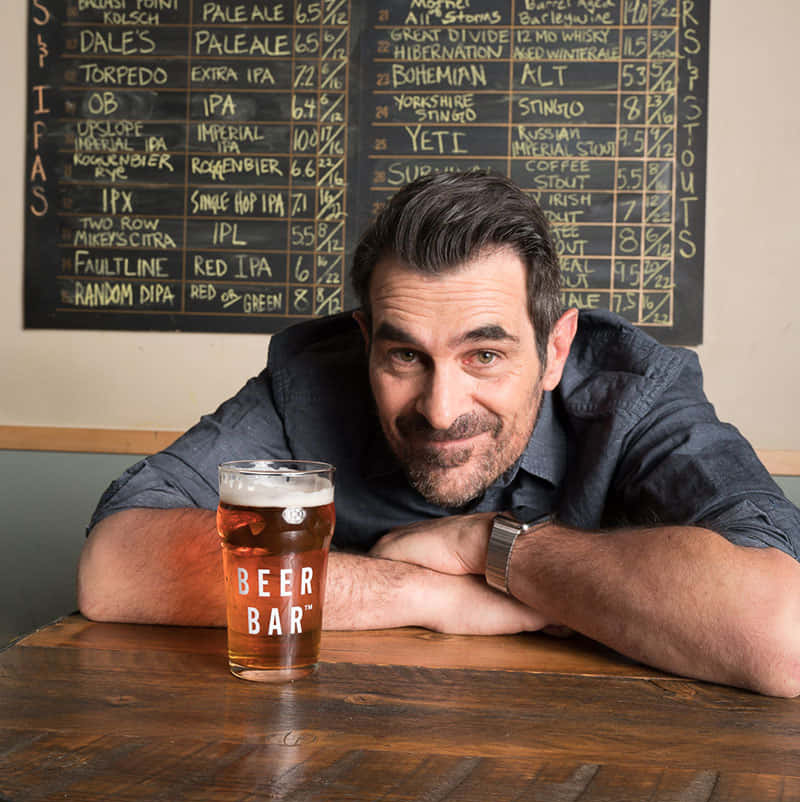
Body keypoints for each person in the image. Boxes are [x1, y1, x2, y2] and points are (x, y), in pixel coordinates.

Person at [78, 171, 800, 695]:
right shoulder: (313, 383)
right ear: (366, 343)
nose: (438, 407)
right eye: (404, 356)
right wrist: (424, 595)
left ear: (554, 350)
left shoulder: (636, 394)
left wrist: (489, 545)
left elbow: (783, 633)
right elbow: (115, 568)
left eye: (484, 354)